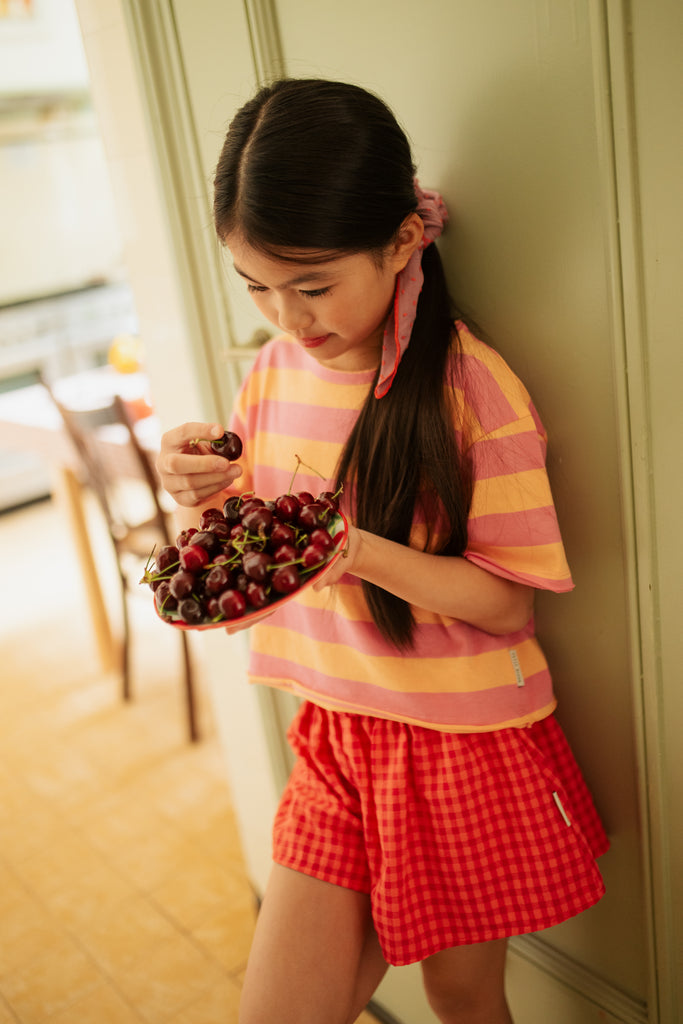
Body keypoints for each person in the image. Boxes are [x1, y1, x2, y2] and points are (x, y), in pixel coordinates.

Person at [157, 78, 609, 1024]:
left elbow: (507, 604)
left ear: (403, 238)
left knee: (459, 999)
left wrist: (353, 549)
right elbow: (260, 541)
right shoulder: (274, 372)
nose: (287, 319)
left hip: (458, 746)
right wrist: (202, 488)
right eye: (258, 288)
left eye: (312, 285)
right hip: (334, 734)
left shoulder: (472, 393)